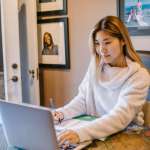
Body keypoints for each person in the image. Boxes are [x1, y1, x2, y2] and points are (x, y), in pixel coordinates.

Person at [53, 16, 150, 146]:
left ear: (122, 41)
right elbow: (82, 101)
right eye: (97, 43)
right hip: (93, 132)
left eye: (107, 42)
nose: (102, 50)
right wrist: (60, 114)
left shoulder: (139, 76)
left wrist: (80, 133)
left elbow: (119, 117)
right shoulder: (95, 67)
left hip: (125, 136)